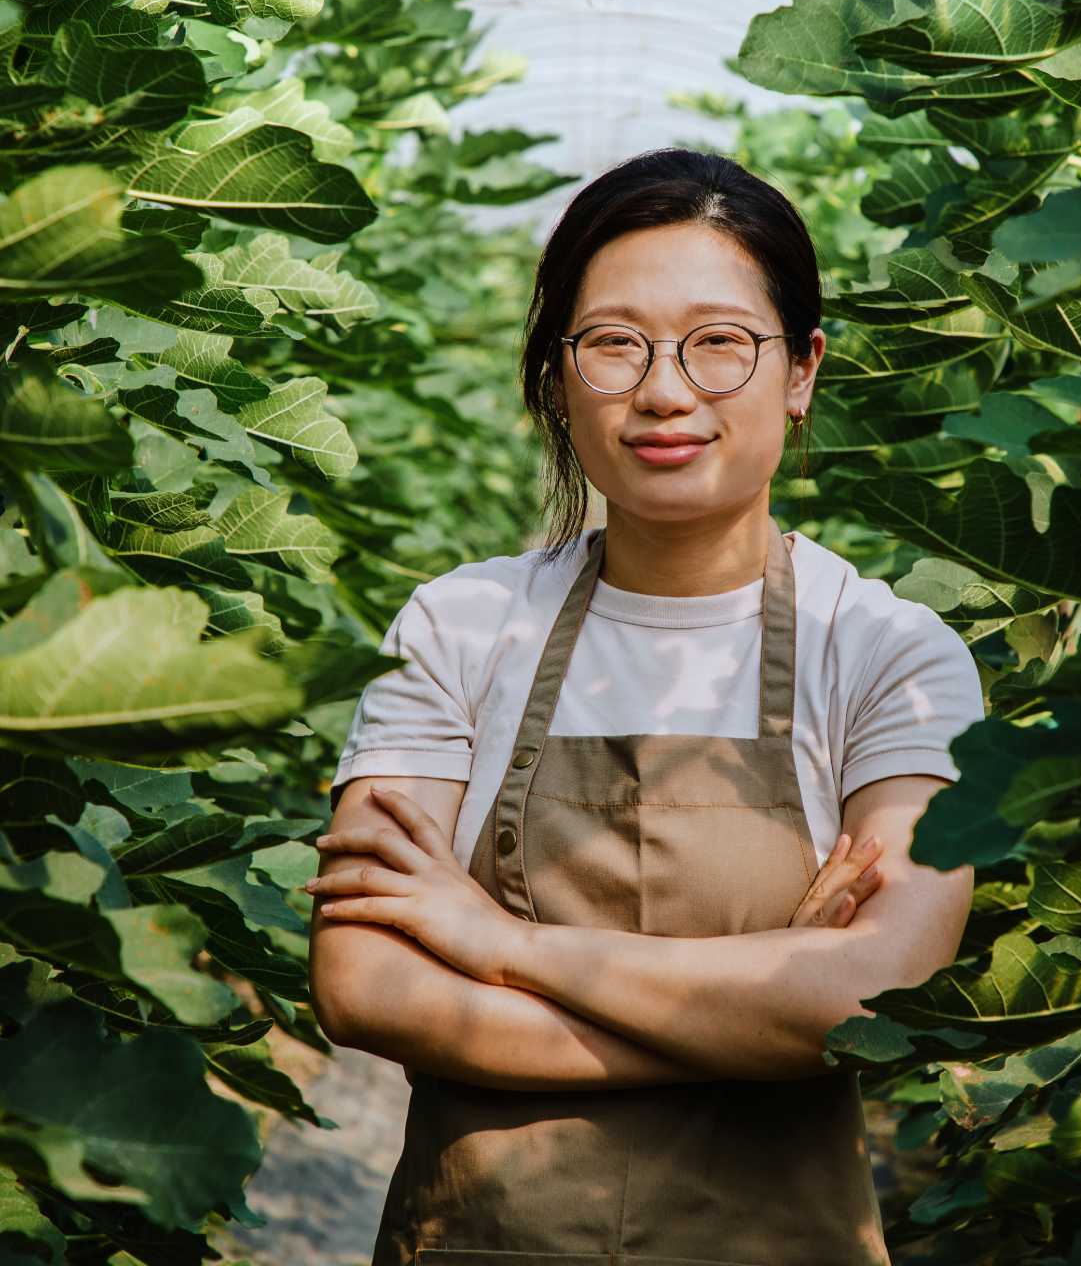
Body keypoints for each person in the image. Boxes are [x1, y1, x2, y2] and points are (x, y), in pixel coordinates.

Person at [305, 148, 984, 1266]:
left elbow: (878, 990)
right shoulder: (459, 627)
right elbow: (365, 980)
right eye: (614, 343)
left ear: (801, 368)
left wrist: (493, 940)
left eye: (719, 342)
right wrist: (759, 1013)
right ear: (558, 375)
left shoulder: (887, 653)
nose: (664, 389)